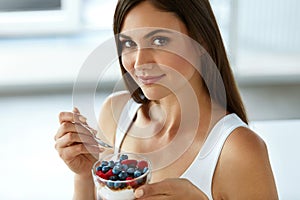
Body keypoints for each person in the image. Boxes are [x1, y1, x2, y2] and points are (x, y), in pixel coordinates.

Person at [54, 0, 278, 199]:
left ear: (202, 41)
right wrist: (84, 176)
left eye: (159, 41)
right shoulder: (115, 114)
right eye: (129, 44)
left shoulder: (238, 150)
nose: (140, 62)